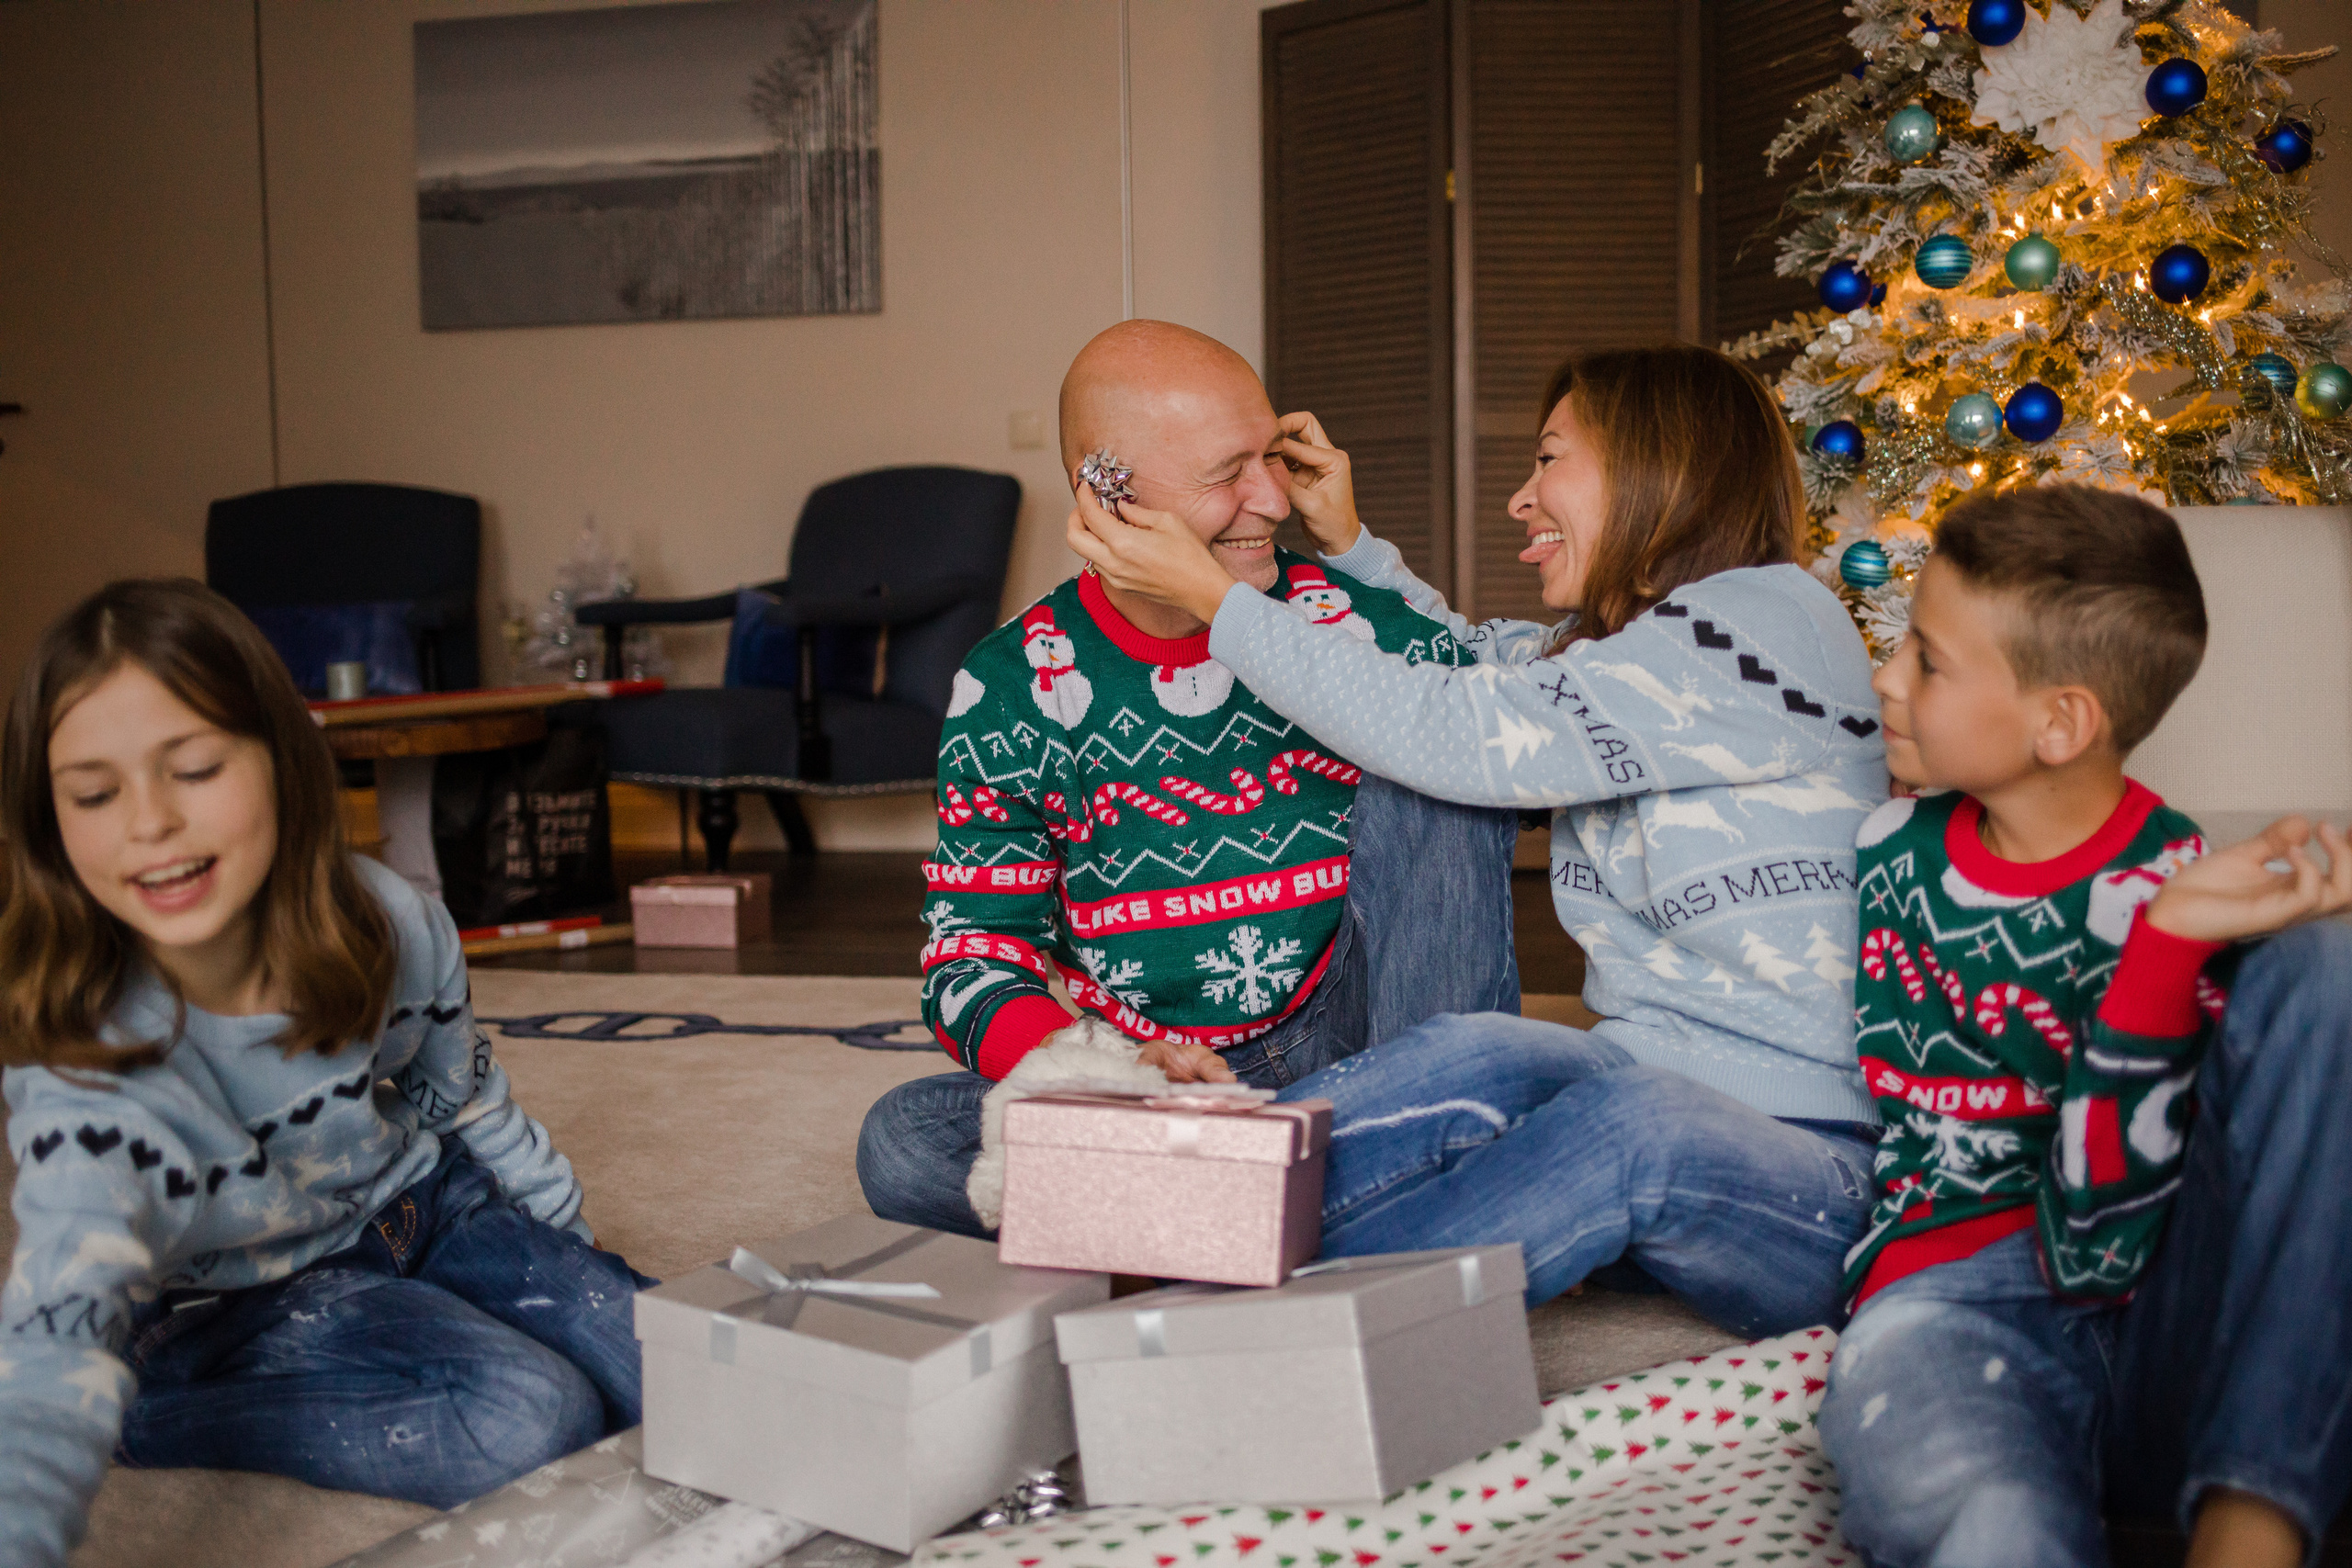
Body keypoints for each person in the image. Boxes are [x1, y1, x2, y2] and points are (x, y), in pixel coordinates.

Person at [1069, 343, 1888, 1335]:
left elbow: (1461, 731)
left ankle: (1242, 1318)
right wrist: (1355, 548)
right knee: (1481, 1053)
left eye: (1550, 460)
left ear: (1656, 468)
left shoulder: (1765, 625)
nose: (1521, 498)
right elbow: (1459, 674)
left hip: (1817, 1171)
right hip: (1646, 1078)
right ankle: (1154, 1206)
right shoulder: (1631, 650)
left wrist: (1215, 600)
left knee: (1629, 1126)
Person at [0, 580, 650, 1568]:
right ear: (52, 824)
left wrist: (564, 1249)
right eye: (94, 794)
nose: (149, 823)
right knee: (536, 1416)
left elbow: (458, 1088)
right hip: (238, 1303)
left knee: (680, 1368)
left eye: (196, 768)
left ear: (282, 757)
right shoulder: (86, 1066)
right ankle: (154, 1409)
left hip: (426, 1207)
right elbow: (52, 1331)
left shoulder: (393, 920)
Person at [856, 320, 1522, 1236]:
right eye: (1227, 475)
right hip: (1153, 1078)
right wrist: (1098, 1073)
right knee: (900, 1144)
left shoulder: (1346, 620)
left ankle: (1251, 1205)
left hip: (1374, 1050)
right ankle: (1389, 1196)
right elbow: (971, 948)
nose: (1273, 503)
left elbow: (1511, 727)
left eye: (1272, 460)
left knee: (1439, 748)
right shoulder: (1012, 686)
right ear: (1107, 492)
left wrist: (1359, 554)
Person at [1813, 486, 2352, 1568]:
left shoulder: (2178, 880)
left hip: (2168, 1318)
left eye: (1925, 658)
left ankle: (2251, 1528)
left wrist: (2161, 945)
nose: (1882, 678)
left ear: (2060, 722)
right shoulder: (1894, 854)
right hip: (1952, 1306)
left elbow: (2104, 1246)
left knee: (2326, 965)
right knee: (1996, 1529)